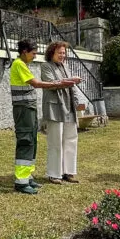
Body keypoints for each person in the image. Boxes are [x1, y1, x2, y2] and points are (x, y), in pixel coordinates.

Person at [10, 38, 77, 194]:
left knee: (32, 140)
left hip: (29, 107)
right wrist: (61, 83)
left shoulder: (23, 65)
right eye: (33, 53)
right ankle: (21, 182)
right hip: (23, 108)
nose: (35, 56)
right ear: (24, 52)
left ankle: (27, 176)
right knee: (26, 140)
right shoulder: (19, 64)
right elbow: (37, 83)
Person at [41, 41, 85, 184]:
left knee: (71, 139)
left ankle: (68, 172)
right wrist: (71, 80)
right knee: (55, 141)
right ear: (51, 53)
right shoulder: (46, 66)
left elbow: (72, 87)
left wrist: (76, 102)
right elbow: (50, 84)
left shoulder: (65, 66)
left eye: (64, 53)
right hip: (54, 108)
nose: (62, 55)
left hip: (69, 107)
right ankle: (54, 174)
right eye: (59, 52)